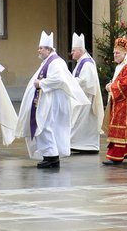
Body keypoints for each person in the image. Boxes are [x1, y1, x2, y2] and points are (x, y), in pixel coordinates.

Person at [16, 31, 89, 169]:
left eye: (41, 48)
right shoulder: (49, 61)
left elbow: (59, 79)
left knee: (45, 127)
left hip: (52, 102)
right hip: (47, 100)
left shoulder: (56, 62)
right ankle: (50, 156)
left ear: (49, 49)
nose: (39, 50)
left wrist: (41, 83)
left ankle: (51, 157)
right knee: (45, 127)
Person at [69, 32, 104, 154]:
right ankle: (77, 144)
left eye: (73, 50)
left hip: (87, 99)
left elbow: (87, 82)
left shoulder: (87, 63)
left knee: (82, 122)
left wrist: (71, 82)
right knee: (78, 122)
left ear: (80, 50)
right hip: (81, 98)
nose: (71, 53)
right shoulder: (82, 62)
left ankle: (87, 146)